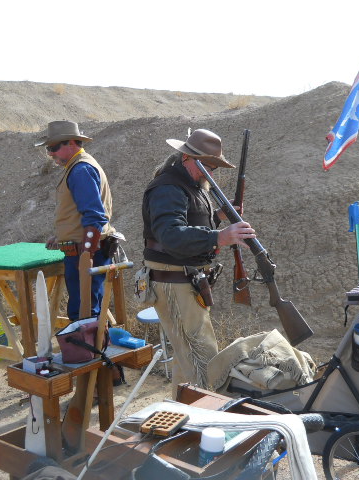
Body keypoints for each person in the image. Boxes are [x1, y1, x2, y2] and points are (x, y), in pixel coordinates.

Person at [142, 128, 256, 398]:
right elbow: (171, 235)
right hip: (174, 282)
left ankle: (183, 412)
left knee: (187, 361)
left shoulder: (191, 186)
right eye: (207, 165)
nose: (211, 173)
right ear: (187, 158)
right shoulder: (168, 187)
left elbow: (192, 221)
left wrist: (218, 216)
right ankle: (204, 417)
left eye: (213, 167)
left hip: (186, 281)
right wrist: (220, 236)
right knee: (204, 363)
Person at [35, 120, 117, 322]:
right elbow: (80, 214)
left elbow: (94, 216)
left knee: (84, 314)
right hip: (84, 250)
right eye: (49, 148)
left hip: (85, 252)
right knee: (86, 312)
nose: (50, 153)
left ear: (71, 143)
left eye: (54, 148)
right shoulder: (79, 167)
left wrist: (86, 256)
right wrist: (64, 237)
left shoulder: (80, 170)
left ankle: (91, 344)